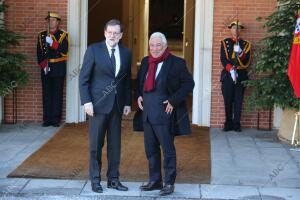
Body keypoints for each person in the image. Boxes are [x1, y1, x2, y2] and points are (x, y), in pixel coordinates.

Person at [135, 32, 194, 196]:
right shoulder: (146, 61)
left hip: (164, 114)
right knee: (150, 149)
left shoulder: (176, 63)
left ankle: (169, 183)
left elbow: (189, 84)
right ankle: (155, 181)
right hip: (147, 113)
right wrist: (139, 95)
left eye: (158, 45)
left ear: (165, 46)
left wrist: (173, 101)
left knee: (168, 150)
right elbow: (140, 82)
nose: (154, 49)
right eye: (152, 45)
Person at [79, 19, 132, 193]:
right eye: (109, 32)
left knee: (115, 146)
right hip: (97, 107)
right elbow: (83, 79)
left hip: (117, 107)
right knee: (96, 145)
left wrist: (127, 103)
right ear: (104, 33)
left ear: (121, 35)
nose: (112, 36)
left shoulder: (126, 53)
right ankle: (95, 180)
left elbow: (126, 81)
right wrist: (86, 102)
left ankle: (113, 179)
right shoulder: (94, 50)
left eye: (116, 33)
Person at [37, 12, 69, 127]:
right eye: (49, 20)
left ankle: (55, 119)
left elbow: (64, 50)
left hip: (58, 68)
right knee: (46, 94)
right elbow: (39, 53)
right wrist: (43, 65)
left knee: (57, 93)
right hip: (45, 67)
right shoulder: (41, 35)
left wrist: (53, 43)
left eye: (53, 20)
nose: (50, 22)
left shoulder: (63, 35)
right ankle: (47, 119)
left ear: (58, 22)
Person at [220, 20, 252, 132]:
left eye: (238, 28)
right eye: (234, 27)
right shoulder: (225, 42)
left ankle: (236, 123)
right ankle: (228, 123)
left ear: (240, 30)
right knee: (227, 100)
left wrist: (241, 53)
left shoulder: (246, 44)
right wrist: (230, 69)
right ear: (230, 29)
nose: (236, 30)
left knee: (238, 100)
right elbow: (223, 59)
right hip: (228, 75)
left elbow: (247, 61)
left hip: (241, 75)